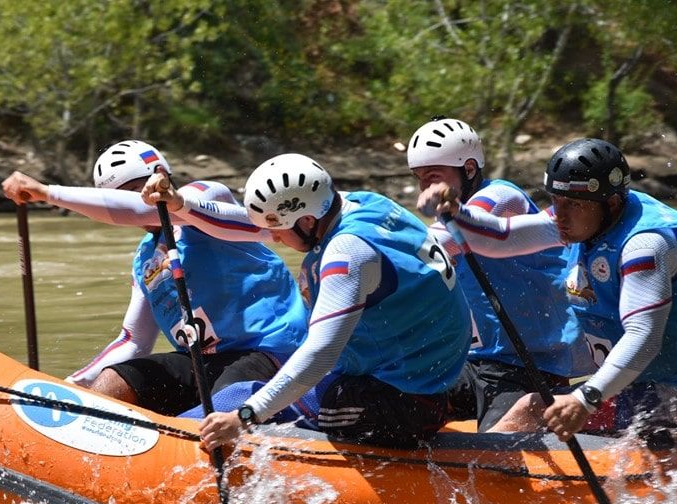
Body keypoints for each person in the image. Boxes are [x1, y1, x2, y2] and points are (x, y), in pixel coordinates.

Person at [144, 153, 472, 449]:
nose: (271, 238)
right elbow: (252, 225)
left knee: (243, 407)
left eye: (278, 230)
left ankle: (171, 454)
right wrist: (180, 204)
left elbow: (320, 355)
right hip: (406, 371)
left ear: (306, 222)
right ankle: (173, 437)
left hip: (401, 400)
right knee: (234, 396)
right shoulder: (359, 204)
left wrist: (244, 418)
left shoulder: (348, 255)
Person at [1, 140, 308, 416]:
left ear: (161, 175)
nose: (135, 201)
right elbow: (133, 341)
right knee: (114, 381)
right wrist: (68, 386)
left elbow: (141, 211)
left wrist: (47, 193)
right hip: (204, 363)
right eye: (117, 198)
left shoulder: (206, 196)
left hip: (271, 353)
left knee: (221, 403)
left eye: (136, 190)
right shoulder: (144, 261)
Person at [420, 138, 677, 444]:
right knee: (528, 411)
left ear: (610, 203)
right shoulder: (585, 218)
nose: (561, 214)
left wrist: (586, 398)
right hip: (632, 386)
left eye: (573, 204)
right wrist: (456, 212)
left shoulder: (645, 245)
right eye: (556, 200)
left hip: (669, 393)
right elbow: (501, 237)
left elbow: (644, 337)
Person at [407, 117, 594, 431]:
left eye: (435, 176)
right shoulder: (446, 217)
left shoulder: (504, 196)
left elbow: (446, 239)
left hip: (528, 371)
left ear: (469, 169)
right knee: (395, 388)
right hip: (469, 366)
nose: (427, 187)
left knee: (491, 450)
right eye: (420, 178)